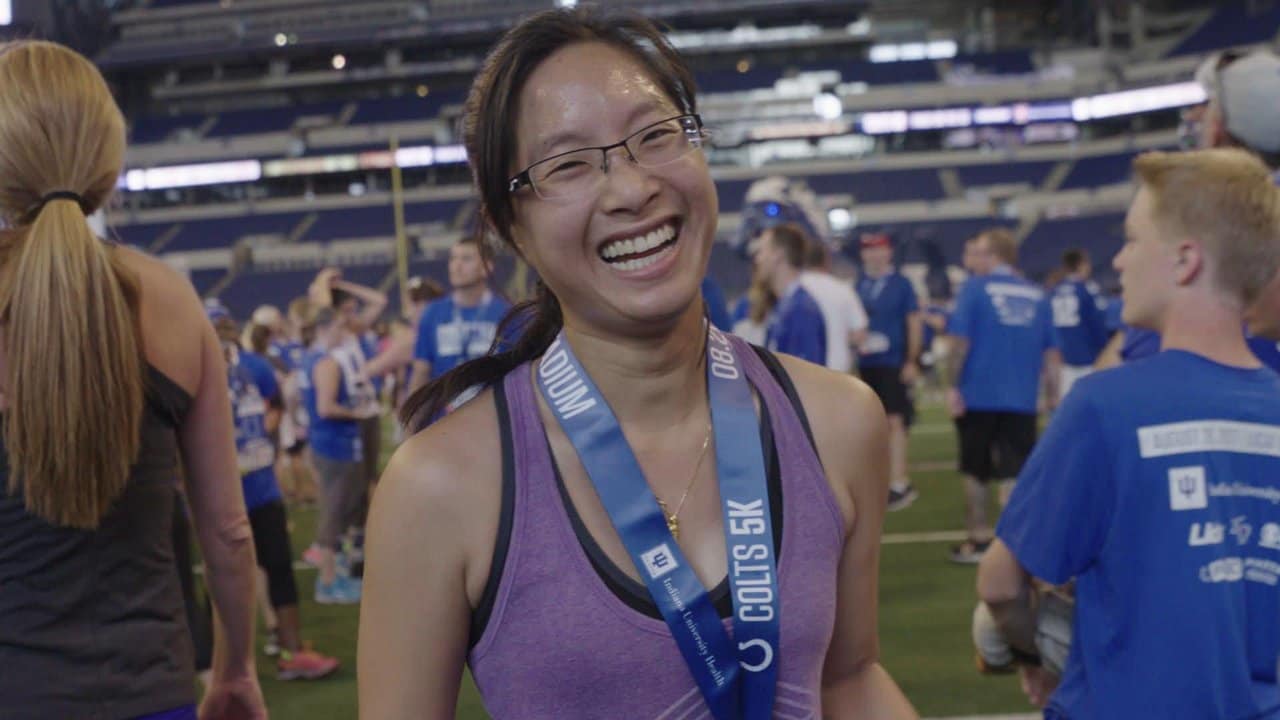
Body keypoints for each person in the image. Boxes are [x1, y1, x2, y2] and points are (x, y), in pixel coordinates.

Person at [358, 9, 917, 719]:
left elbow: (849, 677)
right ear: (509, 226)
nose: (630, 189)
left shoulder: (839, 420)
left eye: (654, 136)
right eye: (567, 165)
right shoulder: (439, 487)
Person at [0, 40, 265, 720]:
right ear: (107, 162)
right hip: (150, 692)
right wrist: (234, 668)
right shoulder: (171, 299)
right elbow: (229, 532)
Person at [978, 148, 1280, 718]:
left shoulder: (1104, 405)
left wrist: (1033, 649)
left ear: (1185, 260)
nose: (1118, 260)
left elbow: (999, 584)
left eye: (1134, 238)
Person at [208, 303, 341, 680]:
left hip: (262, 487)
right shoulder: (198, 371)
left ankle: (291, 651)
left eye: (226, 325)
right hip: (220, 493)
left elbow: (276, 406)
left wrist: (259, 439)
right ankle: (224, 670)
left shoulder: (255, 365)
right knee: (223, 581)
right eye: (216, 326)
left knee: (279, 567)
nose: (224, 332)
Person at [945, 228, 1059, 564]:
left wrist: (953, 384)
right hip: (1022, 398)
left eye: (979, 252)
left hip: (978, 395)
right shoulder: (1037, 295)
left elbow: (959, 344)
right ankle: (1014, 544)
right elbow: (1052, 355)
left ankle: (979, 539)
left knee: (976, 469)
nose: (974, 258)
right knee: (1016, 472)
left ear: (994, 255)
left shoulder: (975, 288)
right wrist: (1052, 395)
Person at [300, 307, 378, 603]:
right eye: (339, 327)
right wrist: (356, 412)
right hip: (335, 444)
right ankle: (329, 581)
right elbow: (326, 407)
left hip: (326, 443)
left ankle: (335, 575)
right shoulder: (326, 362)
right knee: (334, 513)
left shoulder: (310, 358)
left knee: (339, 510)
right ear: (327, 327)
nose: (344, 334)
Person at [856, 232, 923, 511]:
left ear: (889, 252)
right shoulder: (860, 284)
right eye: (869, 250)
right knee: (874, 423)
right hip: (866, 362)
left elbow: (914, 322)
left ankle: (899, 481)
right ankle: (883, 478)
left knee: (896, 420)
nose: (874, 255)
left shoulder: (901, 284)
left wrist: (912, 359)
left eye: (879, 249)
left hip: (892, 360)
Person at [410, 235, 513, 394]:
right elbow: (421, 371)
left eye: (466, 259)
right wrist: (412, 417)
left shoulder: (506, 314)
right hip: (447, 413)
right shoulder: (432, 313)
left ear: (487, 267)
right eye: (453, 259)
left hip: (492, 413)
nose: (456, 266)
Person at [753, 223, 828, 366]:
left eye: (762, 251)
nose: (758, 259)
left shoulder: (802, 310)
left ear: (778, 255)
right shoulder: (784, 306)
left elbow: (805, 378)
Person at [1048, 249, 1109, 401]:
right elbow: (1098, 324)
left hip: (1062, 359)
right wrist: (1105, 350)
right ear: (1081, 265)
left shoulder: (1054, 290)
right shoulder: (1087, 288)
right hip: (1088, 358)